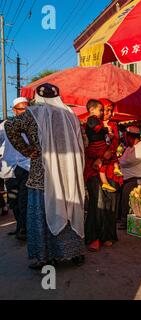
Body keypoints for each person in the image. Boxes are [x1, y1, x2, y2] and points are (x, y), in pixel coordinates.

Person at [5, 83, 86, 269]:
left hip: (42, 174)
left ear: (38, 97)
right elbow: (85, 141)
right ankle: (73, 253)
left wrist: (27, 150)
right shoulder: (71, 115)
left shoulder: (33, 114)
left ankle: (46, 257)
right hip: (69, 174)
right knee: (70, 208)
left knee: (42, 213)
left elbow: (10, 126)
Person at [0, 97, 31, 240]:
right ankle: (20, 225)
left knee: (23, 200)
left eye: (27, 108)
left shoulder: (32, 125)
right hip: (10, 169)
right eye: (21, 109)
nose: (24, 111)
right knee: (13, 201)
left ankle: (24, 229)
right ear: (14, 110)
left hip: (26, 167)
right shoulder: (5, 125)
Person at [84, 100, 123, 193]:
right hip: (93, 167)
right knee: (97, 199)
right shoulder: (91, 122)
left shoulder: (113, 125)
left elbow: (115, 144)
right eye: (106, 110)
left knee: (111, 201)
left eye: (111, 111)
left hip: (109, 168)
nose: (109, 113)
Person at [118, 126, 141, 230]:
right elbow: (122, 160)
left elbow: (125, 162)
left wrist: (118, 161)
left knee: (126, 194)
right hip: (128, 178)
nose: (125, 139)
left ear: (132, 137)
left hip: (139, 180)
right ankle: (121, 217)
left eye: (126, 137)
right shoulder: (130, 147)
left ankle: (125, 221)